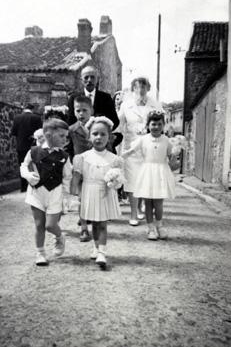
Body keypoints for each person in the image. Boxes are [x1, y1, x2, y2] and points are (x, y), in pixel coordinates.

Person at [71, 116, 124, 269]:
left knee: (102, 224)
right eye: (95, 134)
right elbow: (77, 177)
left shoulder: (114, 159)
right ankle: (96, 247)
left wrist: (114, 182)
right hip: (89, 191)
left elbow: (119, 180)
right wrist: (74, 194)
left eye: (103, 134)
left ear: (109, 137)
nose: (99, 137)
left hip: (105, 192)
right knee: (94, 223)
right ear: (89, 136)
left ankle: (102, 251)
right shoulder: (83, 157)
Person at [20, 118, 72, 266]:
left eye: (65, 136)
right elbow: (24, 166)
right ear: (48, 135)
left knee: (50, 225)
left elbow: (67, 176)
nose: (65, 139)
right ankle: (40, 253)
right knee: (39, 224)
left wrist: (67, 197)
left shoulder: (64, 156)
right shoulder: (33, 151)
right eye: (61, 136)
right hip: (36, 193)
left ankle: (60, 237)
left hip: (55, 193)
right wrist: (28, 175)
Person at [122, 110, 176, 240]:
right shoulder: (143, 139)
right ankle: (150, 228)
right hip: (147, 172)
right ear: (148, 125)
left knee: (158, 203)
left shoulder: (166, 140)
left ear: (163, 125)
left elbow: (171, 157)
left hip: (161, 173)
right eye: (153, 124)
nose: (156, 127)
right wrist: (120, 158)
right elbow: (130, 151)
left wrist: (175, 156)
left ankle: (159, 226)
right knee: (148, 202)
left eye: (159, 124)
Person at [118, 77, 163, 226]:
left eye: (143, 87)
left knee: (145, 179)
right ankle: (133, 214)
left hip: (149, 147)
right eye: (137, 87)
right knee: (132, 181)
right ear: (133, 89)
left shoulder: (154, 104)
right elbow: (119, 125)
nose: (140, 90)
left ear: (148, 89)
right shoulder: (126, 105)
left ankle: (140, 206)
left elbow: (161, 123)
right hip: (131, 148)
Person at [67, 95, 93, 242]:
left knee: (94, 198)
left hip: (96, 167)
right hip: (80, 168)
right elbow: (66, 148)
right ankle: (84, 228)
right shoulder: (71, 130)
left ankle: (95, 223)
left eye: (85, 110)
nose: (81, 114)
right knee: (81, 198)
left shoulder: (98, 126)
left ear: (91, 110)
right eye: (78, 110)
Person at [67, 65, 119, 131]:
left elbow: (115, 121)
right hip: (80, 138)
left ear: (97, 79)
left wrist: (104, 133)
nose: (89, 80)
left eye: (92, 77)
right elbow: (70, 121)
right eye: (86, 77)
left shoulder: (106, 98)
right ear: (81, 80)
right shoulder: (74, 98)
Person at [11, 103, 42, 192]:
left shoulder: (17, 118)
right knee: (35, 166)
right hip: (34, 146)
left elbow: (13, 133)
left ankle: (23, 187)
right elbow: (40, 133)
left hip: (21, 146)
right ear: (32, 109)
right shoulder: (36, 118)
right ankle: (34, 185)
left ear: (24, 108)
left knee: (22, 165)